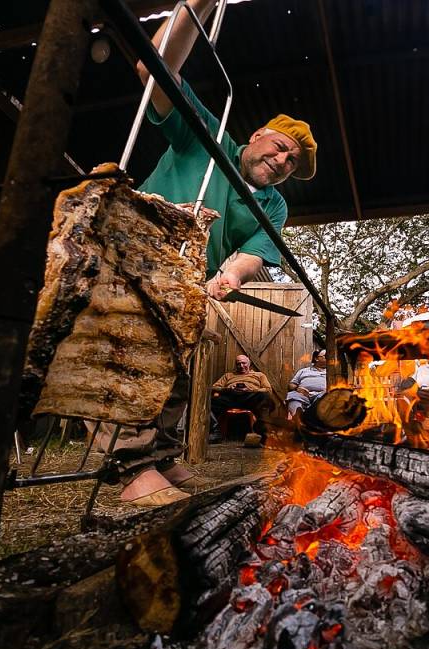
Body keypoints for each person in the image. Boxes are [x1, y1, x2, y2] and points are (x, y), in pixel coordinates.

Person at [97, 0, 318, 507]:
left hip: (190, 279)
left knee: (177, 366)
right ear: (258, 135)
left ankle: (160, 454)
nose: (282, 160)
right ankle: (128, 465)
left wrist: (230, 276)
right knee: (129, 358)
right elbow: (153, 70)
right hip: (135, 254)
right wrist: (195, 3)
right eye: (280, 147)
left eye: (291, 161)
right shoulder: (208, 137)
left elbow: (253, 252)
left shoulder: (274, 203)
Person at [210, 355, 274, 441]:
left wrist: (251, 390)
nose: (241, 366)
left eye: (244, 363)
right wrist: (228, 389)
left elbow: (268, 390)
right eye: (238, 364)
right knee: (210, 402)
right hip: (231, 398)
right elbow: (214, 387)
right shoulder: (228, 375)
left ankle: (262, 431)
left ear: (249, 364)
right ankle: (216, 432)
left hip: (250, 398)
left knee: (265, 398)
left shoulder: (259, 375)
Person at [286, 350, 328, 418]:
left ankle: (312, 417)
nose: (328, 358)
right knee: (293, 395)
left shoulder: (330, 372)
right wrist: (297, 388)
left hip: (321, 395)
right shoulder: (303, 371)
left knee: (326, 396)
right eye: (325, 356)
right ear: (316, 358)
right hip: (303, 395)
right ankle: (298, 418)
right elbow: (291, 385)